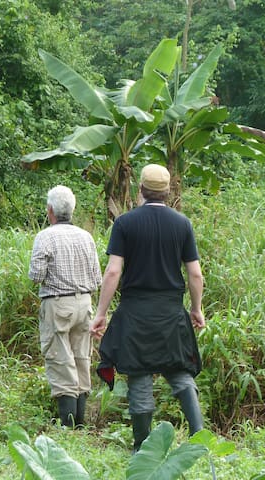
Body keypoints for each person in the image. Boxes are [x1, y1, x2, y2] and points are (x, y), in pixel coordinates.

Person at [90, 163, 206, 453]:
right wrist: (196, 308)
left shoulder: (125, 223)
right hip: (170, 312)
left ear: (140, 189)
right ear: (167, 192)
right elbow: (195, 274)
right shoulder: (182, 224)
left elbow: (113, 272)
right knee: (180, 373)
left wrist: (101, 313)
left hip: (136, 313)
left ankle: (142, 447)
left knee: (140, 377)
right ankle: (200, 437)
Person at [29, 185, 102, 429]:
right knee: (82, 359)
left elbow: (36, 276)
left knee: (61, 362)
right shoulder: (86, 237)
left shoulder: (45, 237)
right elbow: (97, 279)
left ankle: (68, 428)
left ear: (50, 210)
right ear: (72, 209)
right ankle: (80, 425)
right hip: (84, 303)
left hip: (58, 303)